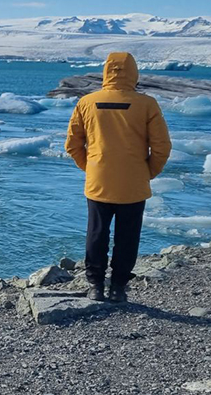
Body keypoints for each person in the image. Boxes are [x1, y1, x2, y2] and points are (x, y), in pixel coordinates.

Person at [65, 52, 171, 303]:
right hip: (133, 183)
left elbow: (72, 144)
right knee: (128, 236)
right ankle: (119, 287)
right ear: (134, 73)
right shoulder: (147, 104)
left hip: (99, 181)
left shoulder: (87, 102)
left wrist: (91, 168)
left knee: (96, 233)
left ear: (105, 72)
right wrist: (147, 172)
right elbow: (162, 147)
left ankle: (95, 286)